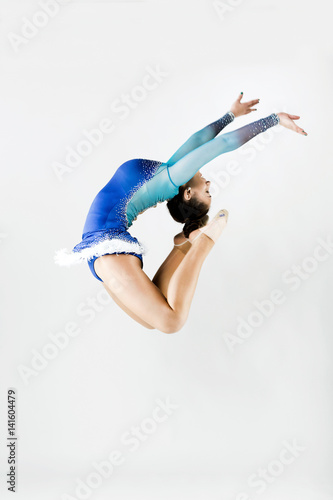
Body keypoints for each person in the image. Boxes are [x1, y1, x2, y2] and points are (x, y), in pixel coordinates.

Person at [55, 93, 307, 333]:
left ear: (187, 194)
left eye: (206, 192)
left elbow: (223, 145)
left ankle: (204, 240)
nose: (208, 184)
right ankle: (183, 246)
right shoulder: (167, 171)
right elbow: (198, 141)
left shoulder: (172, 179)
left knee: (169, 321)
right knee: (153, 321)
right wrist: (230, 115)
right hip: (101, 246)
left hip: (105, 246)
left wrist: (274, 120)